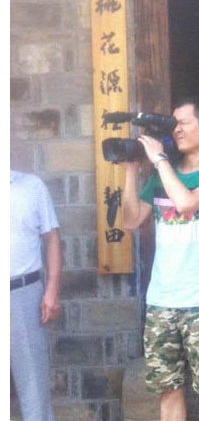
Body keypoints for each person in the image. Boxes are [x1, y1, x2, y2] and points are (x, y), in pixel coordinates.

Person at [121, 97, 199, 421]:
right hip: (161, 301)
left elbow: (186, 203)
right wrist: (130, 171)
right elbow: (131, 220)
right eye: (174, 124)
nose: (176, 130)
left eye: (183, 123)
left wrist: (160, 159)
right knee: (168, 390)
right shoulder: (163, 174)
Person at [10, 169, 63, 421]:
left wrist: (51, 290)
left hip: (23, 294)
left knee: (33, 388)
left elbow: (52, 239)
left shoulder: (32, 186)